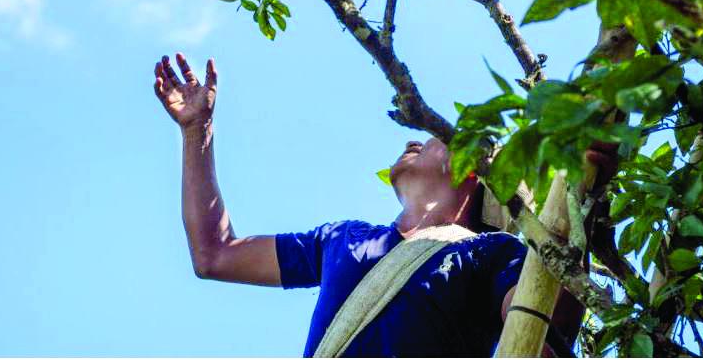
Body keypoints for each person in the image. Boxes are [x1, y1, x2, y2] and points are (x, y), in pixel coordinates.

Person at [153, 53, 602, 357]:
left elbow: (537, 332)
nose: (413, 139)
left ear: (473, 171)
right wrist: (198, 131)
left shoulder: (491, 252)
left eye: (432, 140)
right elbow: (215, 254)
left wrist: (581, 206)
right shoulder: (344, 238)